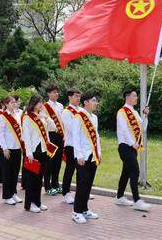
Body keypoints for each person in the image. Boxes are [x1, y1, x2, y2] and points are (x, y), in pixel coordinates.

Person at [114, 89, 151, 212]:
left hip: (132, 147)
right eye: (134, 96)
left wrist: (145, 115)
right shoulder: (122, 112)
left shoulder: (134, 112)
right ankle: (137, 200)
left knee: (126, 172)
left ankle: (119, 197)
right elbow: (124, 130)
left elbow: (143, 128)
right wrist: (132, 143)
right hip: (125, 146)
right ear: (127, 97)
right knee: (135, 171)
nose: (136, 98)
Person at [72, 92, 101, 224]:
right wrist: (79, 154)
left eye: (96, 101)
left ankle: (85, 209)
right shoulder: (79, 116)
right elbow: (75, 137)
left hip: (92, 155)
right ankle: (76, 212)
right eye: (93, 100)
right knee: (82, 183)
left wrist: (98, 152)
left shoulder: (94, 117)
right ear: (86, 102)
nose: (96, 103)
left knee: (88, 184)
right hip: (82, 156)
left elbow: (97, 136)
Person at [22, 95, 53, 213]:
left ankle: (37, 201)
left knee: (39, 178)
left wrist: (45, 117)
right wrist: (29, 153)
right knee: (32, 179)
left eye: (42, 102)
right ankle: (29, 204)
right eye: (39, 102)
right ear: (33, 103)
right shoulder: (27, 117)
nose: (41, 104)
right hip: (34, 151)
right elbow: (27, 137)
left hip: (44, 150)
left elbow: (53, 127)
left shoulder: (42, 116)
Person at [0, 96, 24, 205]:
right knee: (7, 172)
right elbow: (0, 134)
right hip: (7, 149)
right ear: (6, 104)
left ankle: (14, 192)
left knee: (15, 172)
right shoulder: (3, 116)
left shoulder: (17, 114)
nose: (14, 104)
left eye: (14, 102)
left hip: (17, 147)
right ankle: (7, 196)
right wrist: (4, 148)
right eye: (11, 102)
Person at [41, 85, 64, 196]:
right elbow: (44, 122)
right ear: (48, 94)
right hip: (50, 135)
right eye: (54, 92)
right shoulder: (45, 106)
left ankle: (55, 184)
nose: (56, 94)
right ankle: (47, 186)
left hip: (60, 135)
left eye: (57, 92)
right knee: (49, 161)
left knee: (58, 161)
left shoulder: (60, 105)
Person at [60, 87, 82, 204]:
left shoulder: (81, 111)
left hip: (81, 145)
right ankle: (66, 192)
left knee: (82, 170)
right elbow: (71, 128)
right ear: (70, 97)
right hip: (71, 145)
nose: (78, 98)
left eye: (79, 96)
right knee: (70, 169)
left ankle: (81, 192)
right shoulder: (66, 112)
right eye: (75, 96)